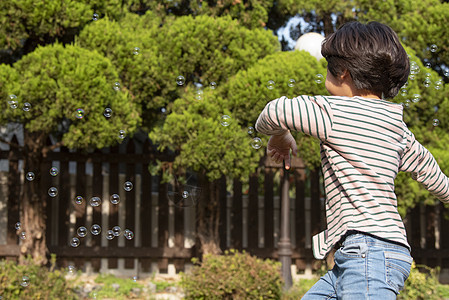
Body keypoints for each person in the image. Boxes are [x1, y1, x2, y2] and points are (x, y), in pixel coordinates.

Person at [255, 21, 449, 299]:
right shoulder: (396, 125)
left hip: (366, 254)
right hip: (377, 253)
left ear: (343, 70)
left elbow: (273, 111)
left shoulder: (332, 111)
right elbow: (431, 172)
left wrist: (280, 136)